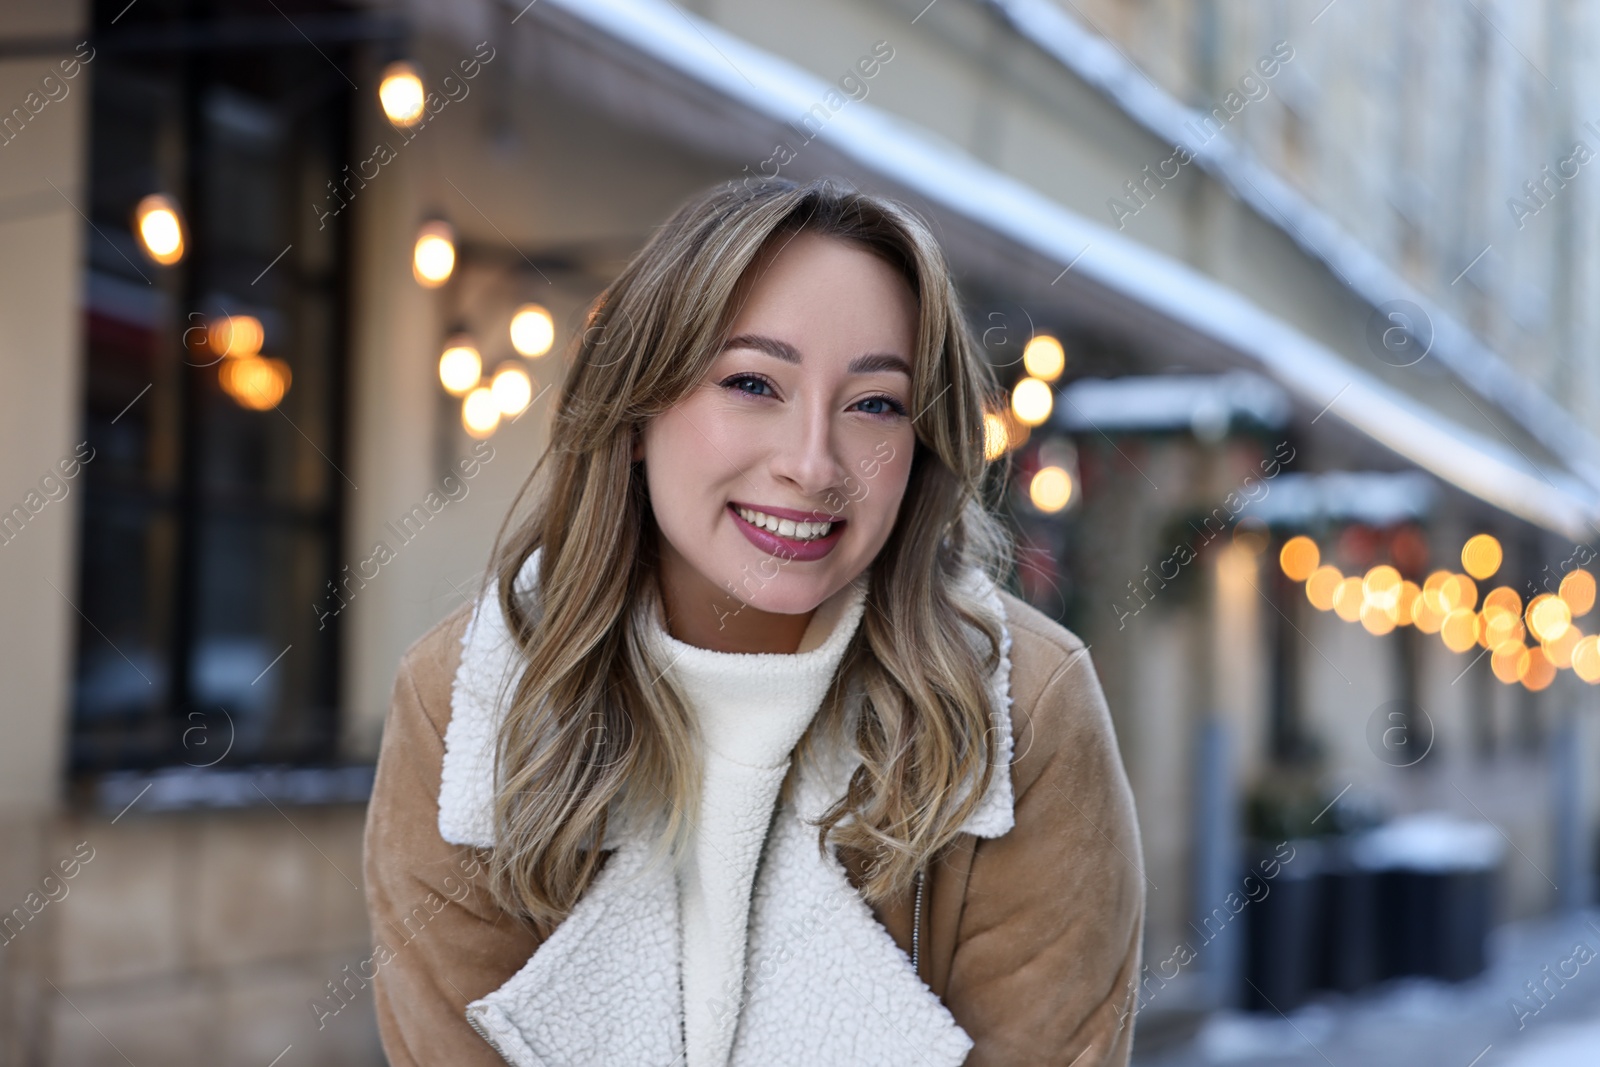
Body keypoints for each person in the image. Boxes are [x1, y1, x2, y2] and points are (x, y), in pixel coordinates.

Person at [362, 176, 1144, 1066]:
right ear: (637, 410)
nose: (813, 465)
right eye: (751, 383)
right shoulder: (471, 699)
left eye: (876, 403)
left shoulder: (1021, 707)